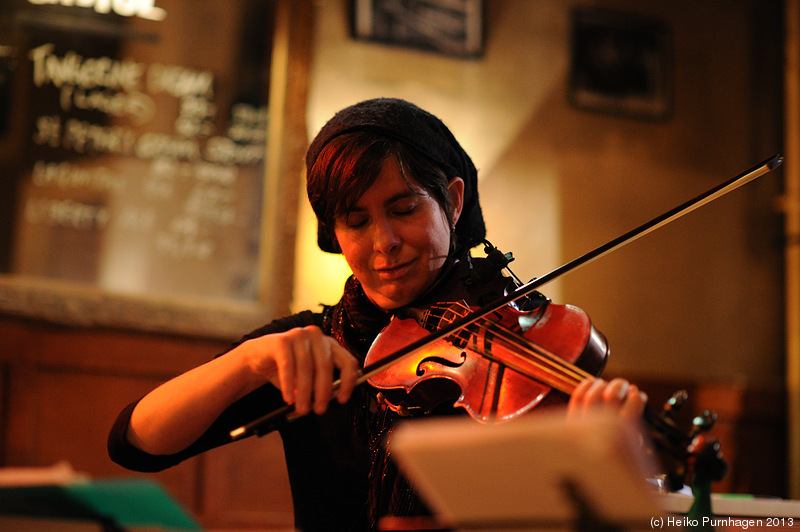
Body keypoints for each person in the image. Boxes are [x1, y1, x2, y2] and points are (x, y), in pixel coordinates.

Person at [108, 98, 647, 531]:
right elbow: (136, 444)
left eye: (404, 209)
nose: (383, 243)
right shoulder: (310, 351)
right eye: (355, 220)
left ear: (453, 203)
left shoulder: (521, 349)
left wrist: (605, 474)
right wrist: (249, 361)